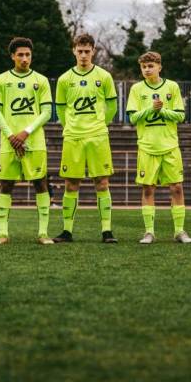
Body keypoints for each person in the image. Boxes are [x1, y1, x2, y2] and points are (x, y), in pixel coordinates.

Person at [0, 37, 54, 245]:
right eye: (20, 55)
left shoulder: (41, 80)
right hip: (9, 142)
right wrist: (10, 135)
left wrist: (25, 132)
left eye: (28, 55)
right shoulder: (1, 80)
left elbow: (46, 112)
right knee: (6, 184)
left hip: (34, 141)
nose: (25, 59)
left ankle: (43, 233)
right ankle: (3, 233)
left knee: (40, 183)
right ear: (12, 56)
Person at [53, 33, 118, 243]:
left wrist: (100, 124)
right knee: (71, 183)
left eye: (87, 51)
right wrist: (69, 126)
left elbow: (113, 106)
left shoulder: (104, 76)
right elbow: (61, 109)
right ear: (74, 51)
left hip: (98, 136)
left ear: (93, 52)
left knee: (102, 182)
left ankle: (107, 231)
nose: (83, 55)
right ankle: (67, 231)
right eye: (79, 51)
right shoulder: (64, 79)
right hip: (73, 137)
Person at [126, 51, 191, 244]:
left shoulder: (172, 86)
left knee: (177, 188)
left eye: (151, 66)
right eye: (144, 67)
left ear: (159, 67)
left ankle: (180, 231)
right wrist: (150, 109)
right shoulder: (137, 89)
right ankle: (149, 232)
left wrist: (163, 110)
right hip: (147, 147)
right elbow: (132, 118)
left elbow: (180, 116)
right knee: (148, 189)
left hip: (170, 146)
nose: (147, 69)